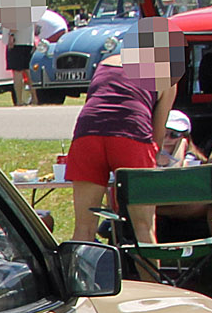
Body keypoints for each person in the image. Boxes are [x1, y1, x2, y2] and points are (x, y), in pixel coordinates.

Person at [65, 19, 181, 244]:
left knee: (84, 228)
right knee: (144, 227)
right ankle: (150, 280)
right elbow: (156, 136)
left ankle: (76, 279)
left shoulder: (107, 62)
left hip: (87, 136)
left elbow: (96, 103)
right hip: (131, 137)